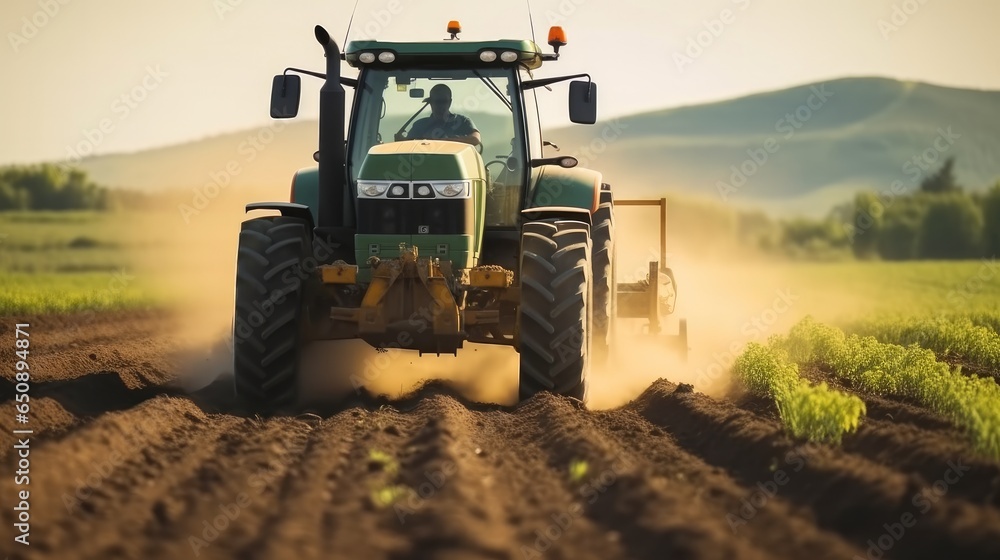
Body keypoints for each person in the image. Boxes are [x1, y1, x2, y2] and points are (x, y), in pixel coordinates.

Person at [395, 84, 481, 147]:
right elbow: (407, 146)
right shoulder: (419, 125)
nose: (441, 106)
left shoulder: (463, 121)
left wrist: (444, 141)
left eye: (444, 102)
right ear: (430, 103)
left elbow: (475, 139)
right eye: (437, 102)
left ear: (450, 102)